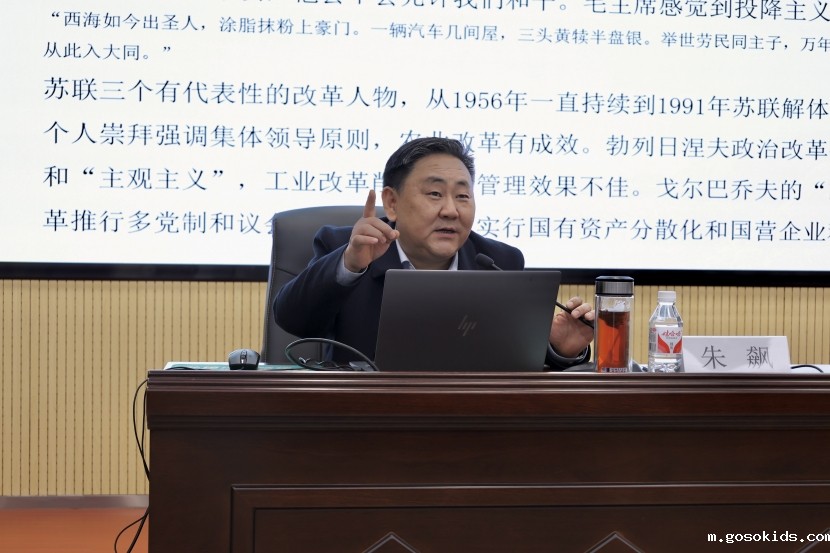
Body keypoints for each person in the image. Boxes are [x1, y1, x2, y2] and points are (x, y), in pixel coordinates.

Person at [274, 137, 595, 370]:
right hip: (363, 422)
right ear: (392, 203)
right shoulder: (347, 247)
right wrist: (350, 264)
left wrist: (558, 347)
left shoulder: (499, 262)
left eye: (462, 196)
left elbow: (514, 361)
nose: (451, 210)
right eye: (435, 193)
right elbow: (294, 320)